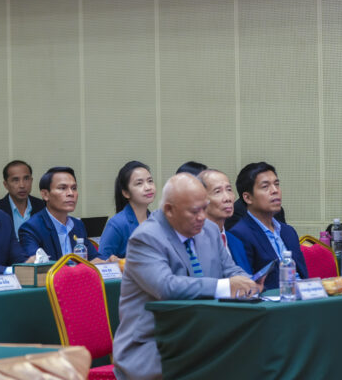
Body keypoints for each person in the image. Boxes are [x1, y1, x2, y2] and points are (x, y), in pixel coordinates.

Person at [112, 173, 258, 380]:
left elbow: (231, 270)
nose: (202, 217)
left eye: (205, 208)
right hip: (155, 346)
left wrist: (248, 283)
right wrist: (225, 286)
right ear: (169, 210)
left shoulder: (209, 230)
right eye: (194, 211)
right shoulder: (146, 238)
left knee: (256, 356)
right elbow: (166, 287)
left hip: (202, 339)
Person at [226, 162, 307, 288]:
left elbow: (303, 275)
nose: (275, 191)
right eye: (265, 186)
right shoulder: (239, 234)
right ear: (248, 198)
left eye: (276, 184)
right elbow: (248, 284)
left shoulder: (288, 232)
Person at [19, 167, 112, 263]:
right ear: (45, 194)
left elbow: (94, 257)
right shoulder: (31, 228)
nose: (71, 193)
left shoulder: (78, 225)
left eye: (74, 188)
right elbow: (36, 265)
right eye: (62, 188)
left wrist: (109, 261)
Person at [98, 161, 155, 259]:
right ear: (126, 193)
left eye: (150, 181)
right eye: (139, 183)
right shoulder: (117, 224)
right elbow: (101, 261)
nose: (148, 187)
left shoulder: (156, 220)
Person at [0, 160, 46, 238]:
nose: (22, 185)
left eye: (26, 179)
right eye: (16, 180)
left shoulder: (43, 207)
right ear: (6, 185)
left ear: (31, 181)